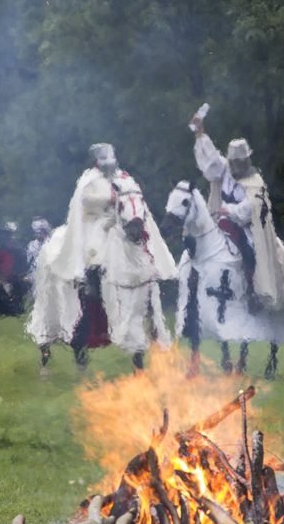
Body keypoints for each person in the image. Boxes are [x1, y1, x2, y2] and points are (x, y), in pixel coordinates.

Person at [27, 143, 175, 369]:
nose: (109, 165)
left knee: (144, 254)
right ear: (97, 161)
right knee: (95, 252)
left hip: (123, 225)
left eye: (111, 161)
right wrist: (111, 200)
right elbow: (86, 201)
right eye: (104, 162)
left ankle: (149, 296)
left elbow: (137, 200)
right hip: (96, 224)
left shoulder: (126, 178)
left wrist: (128, 208)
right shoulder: (90, 179)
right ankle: (90, 281)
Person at [190, 115, 284, 312]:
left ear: (246, 160)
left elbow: (251, 207)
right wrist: (200, 133)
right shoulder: (226, 169)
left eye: (238, 161)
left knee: (249, 250)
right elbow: (210, 161)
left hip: (247, 225)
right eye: (232, 161)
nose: (234, 165)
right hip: (222, 221)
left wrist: (229, 209)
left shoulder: (255, 181)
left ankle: (253, 291)